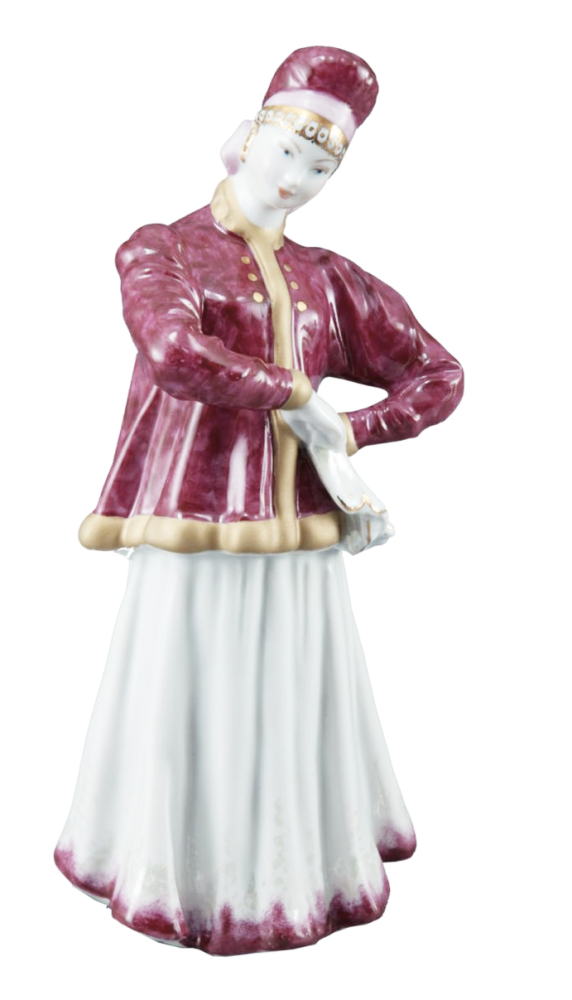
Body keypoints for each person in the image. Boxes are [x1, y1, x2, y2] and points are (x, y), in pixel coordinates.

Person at [54, 46, 463, 956]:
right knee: (186, 686)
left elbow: (440, 374)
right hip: (195, 526)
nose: (295, 181)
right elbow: (174, 351)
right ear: (245, 138)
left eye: (320, 169)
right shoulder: (162, 248)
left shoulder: (329, 279)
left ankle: (290, 871)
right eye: (286, 153)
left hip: (299, 536)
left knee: (292, 691)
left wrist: (355, 429)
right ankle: (171, 868)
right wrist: (299, 395)